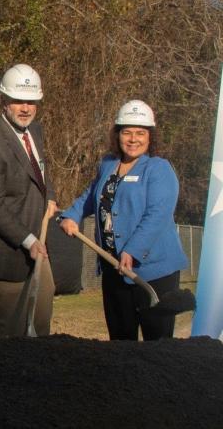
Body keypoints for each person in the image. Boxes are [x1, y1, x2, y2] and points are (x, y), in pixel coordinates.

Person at [59, 100, 187, 341]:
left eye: (140, 133)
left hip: (151, 272)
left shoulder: (158, 169)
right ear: (117, 135)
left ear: (150, 137)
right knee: (120, 341)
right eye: (127, 132)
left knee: (156, 345)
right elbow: (91, 196)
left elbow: (157, 215)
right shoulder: (108, 165)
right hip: (114, 268)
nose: (133, 139)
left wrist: (132, 251)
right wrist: (71, 215)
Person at [0, 63, 57, 339]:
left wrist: (51, 197)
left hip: (38, 251)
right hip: (9, 255)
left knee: (39, 326)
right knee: (7, 336)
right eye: (18, 101)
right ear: (4, 102)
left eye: (31, 101)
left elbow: (42, 172)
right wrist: (28, 240)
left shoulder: (36, 133)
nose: (25, 108)